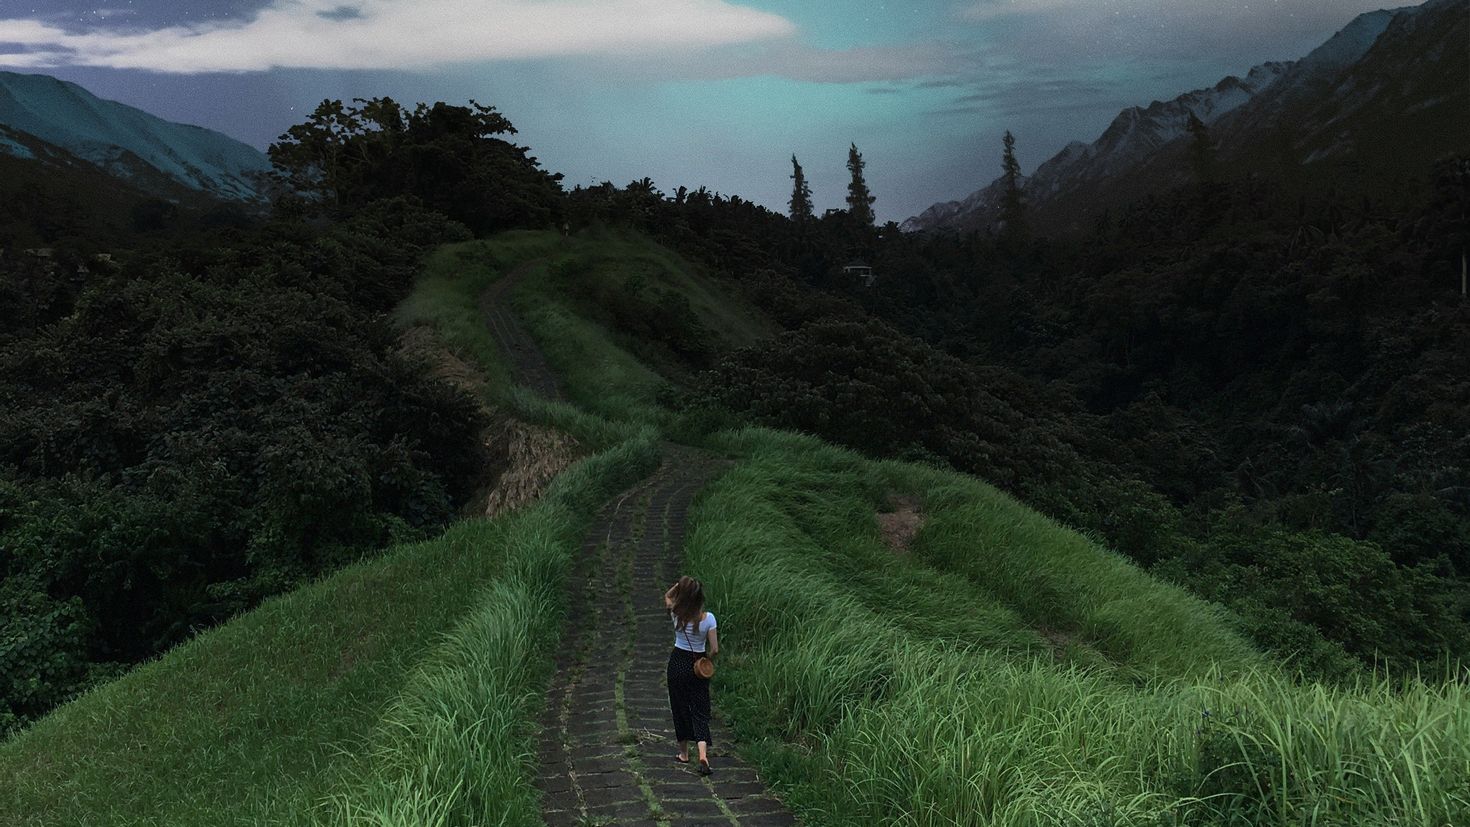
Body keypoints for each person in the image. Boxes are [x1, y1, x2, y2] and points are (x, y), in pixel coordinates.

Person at [663, 575, 718, 775]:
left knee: (680, 707)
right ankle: (702, 754)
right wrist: (706, 660)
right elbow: (715, 649)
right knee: (699, 709)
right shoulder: (708, 619)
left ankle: (684, 753)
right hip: (697, 665)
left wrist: (679, 586)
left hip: (677, 662)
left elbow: (667, 596)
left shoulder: (675, 613)